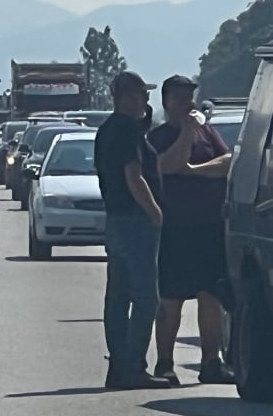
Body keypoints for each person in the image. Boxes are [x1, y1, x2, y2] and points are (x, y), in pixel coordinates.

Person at [147, 75, 234, 386]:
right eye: (181, 98)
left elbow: (228, 161)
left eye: (191, 97)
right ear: (167, 102)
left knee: (211, 296)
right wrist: (185, 132)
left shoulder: (208, 132)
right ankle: (165, 363)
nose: (188, 104)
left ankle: (211, 362)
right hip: (175, 229)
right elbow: (168, 165)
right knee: (171, 299)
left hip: (209, 227)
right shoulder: (158, 137)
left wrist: (196, 171)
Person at [95, 71, 171, 390]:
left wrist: (147, 116)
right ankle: (134, 365)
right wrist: (155, 212)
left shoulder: (107, 129)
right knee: (145, 297)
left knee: (118, 294)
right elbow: (133, 176)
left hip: (115, 220)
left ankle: (118, 365)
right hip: (135, 220)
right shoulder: (126, 131)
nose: (145, 101)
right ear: (125, 97)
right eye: (141, 95)